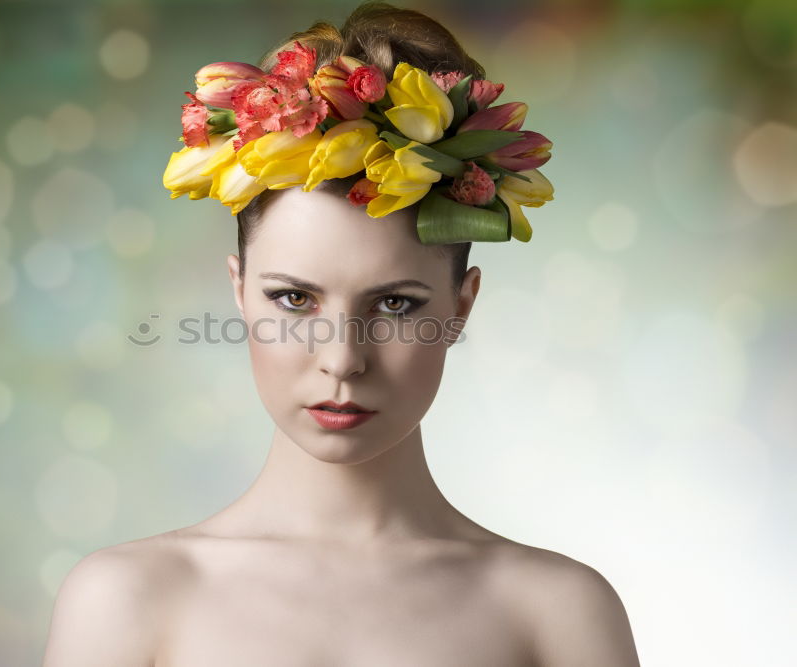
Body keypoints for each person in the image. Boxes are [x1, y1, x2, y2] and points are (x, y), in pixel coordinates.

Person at [43, 3, 641, 665]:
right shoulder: (128, 599)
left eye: (393, 304)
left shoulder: (556, 612)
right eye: (294, 298)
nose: (342, 359)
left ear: (461, 307)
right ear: (239, 290)